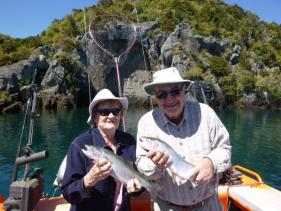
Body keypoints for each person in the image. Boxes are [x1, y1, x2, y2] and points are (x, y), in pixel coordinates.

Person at [135, 67, 232, 210]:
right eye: (162, 94)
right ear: (155, 96)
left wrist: (210, 162)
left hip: (208, 205)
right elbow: (143, 169)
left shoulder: (206, 113)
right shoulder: (145, 123)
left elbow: (224, 149)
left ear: (184, 90)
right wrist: (156, 165)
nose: (169, 99)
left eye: (175, 92)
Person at [62, 88, 141, 211]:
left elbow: (138, 182)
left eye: (115, 111)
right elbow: (68, 193)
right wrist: (90, 179)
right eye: (104, 112)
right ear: (94, 117)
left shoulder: (129, 141)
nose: (111, 116)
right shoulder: (79, 145)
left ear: (120, 115)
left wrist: (137, 188)